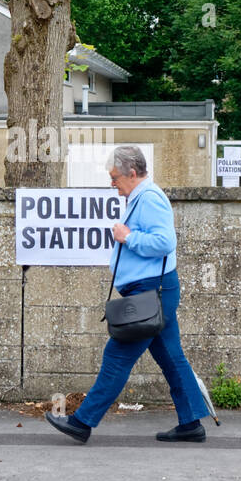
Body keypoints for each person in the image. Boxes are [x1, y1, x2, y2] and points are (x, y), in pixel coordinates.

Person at [46, 145, 213, 444]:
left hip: (150, 292)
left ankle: (82, 422)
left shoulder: (150, 199)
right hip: (154, 292)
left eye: (115, 177)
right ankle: (190, 423)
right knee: (172, 358)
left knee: (117, 356)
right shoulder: (140, 197)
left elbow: (165, 242)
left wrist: (128, 237)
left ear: (132, 173)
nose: (112, 184)